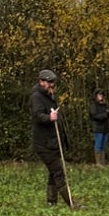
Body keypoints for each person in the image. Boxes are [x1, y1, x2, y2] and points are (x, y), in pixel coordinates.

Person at [30, 69, 70, 206]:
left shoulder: (49, 95)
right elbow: (38, 115)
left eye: (53, 82)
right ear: (41, 82)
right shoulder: (36, 97)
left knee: (53, 172)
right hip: (44, 144)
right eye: (49, 82)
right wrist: (49, 117)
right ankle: (71, 204)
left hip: (53, 142)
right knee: (58, 172)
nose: (52, 85)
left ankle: (51, 202)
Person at [89, 89, 109, 164]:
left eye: (101, 95)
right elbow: (94, 116)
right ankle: (98, 163)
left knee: (103, 145)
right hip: (98, 128)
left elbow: (108, 116)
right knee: (98, 145)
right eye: (99, 95)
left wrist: (108, 114)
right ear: (96, 96)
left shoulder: (104, 105)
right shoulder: (93, 105)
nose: (100, 96)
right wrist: (105, 115)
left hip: (105, 128)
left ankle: (103, 162)